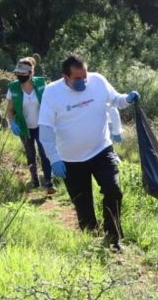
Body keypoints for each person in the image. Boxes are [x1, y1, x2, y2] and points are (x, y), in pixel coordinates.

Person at [38, 53, 139, 251]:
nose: (83, 81)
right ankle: (91, 237)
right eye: (77, 78)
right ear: (65, 77)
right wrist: (54, 159)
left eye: (84, 76)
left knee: (113, 190)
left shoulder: (98, 81)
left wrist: (127, 98)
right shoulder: (52, 93)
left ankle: (113, 236)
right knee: (84, 209)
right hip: (71, 160)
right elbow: (45, 130)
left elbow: (115, 100)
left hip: (101, 150)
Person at [6, 56, 56, 194]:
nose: (19, 75)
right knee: (30, 154)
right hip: (24, 127)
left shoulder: (41, 84)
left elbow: (49, 103)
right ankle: (35, 181)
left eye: (23, 73)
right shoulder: (13, 88)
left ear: (30, 72)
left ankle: (49, 181)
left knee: (44, 152)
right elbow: (9, 110)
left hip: (41, 125)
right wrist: (12, 123)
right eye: (18, 73)